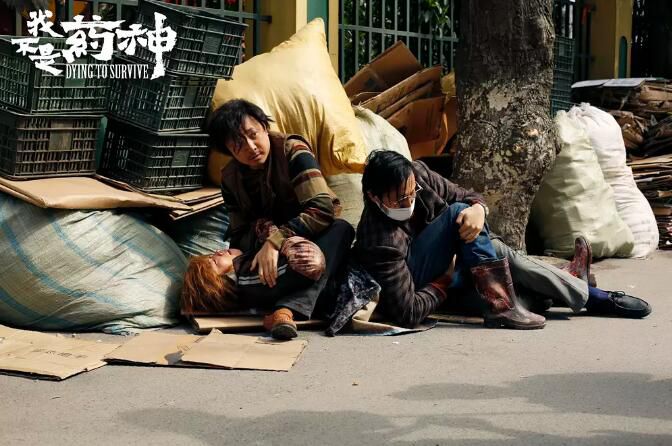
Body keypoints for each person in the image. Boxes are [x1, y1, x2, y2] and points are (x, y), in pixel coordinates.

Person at [354, 150, 652, 329]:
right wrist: (444, 278)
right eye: (399, 199)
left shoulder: (417, 175)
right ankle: (582, 291)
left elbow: (466, 195)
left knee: (497, 253)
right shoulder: (379, 239)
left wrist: (478, 209)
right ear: (373, 197)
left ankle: (572, 292)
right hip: (433, 285)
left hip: (461, 266)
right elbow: (408, 312)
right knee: (473, 231)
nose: (409, 202)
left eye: (412, 194)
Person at [203, 99, 354, 339]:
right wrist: (263, 240)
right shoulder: (230, 178)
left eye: (253, 135)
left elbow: (322, 209)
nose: (251, 147)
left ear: (265, 127)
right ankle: (291, 303)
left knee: (341, 229)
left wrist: (276, 241)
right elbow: (239, 234)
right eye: (238, 145)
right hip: (265, 253)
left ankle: (284, 310)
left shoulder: (292, 151)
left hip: (310, 239)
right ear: (229, 151)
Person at [182, 231, 351, 339]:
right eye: (213, 261)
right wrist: (276, 240)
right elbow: (308, 263)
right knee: (341, 229)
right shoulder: (248, 276)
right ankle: (286, 310)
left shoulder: (246, 269)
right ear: (217, 283)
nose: (218, 252)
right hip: (337, 290)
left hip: (335, 282)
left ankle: (286, 310)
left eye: (212, 254)